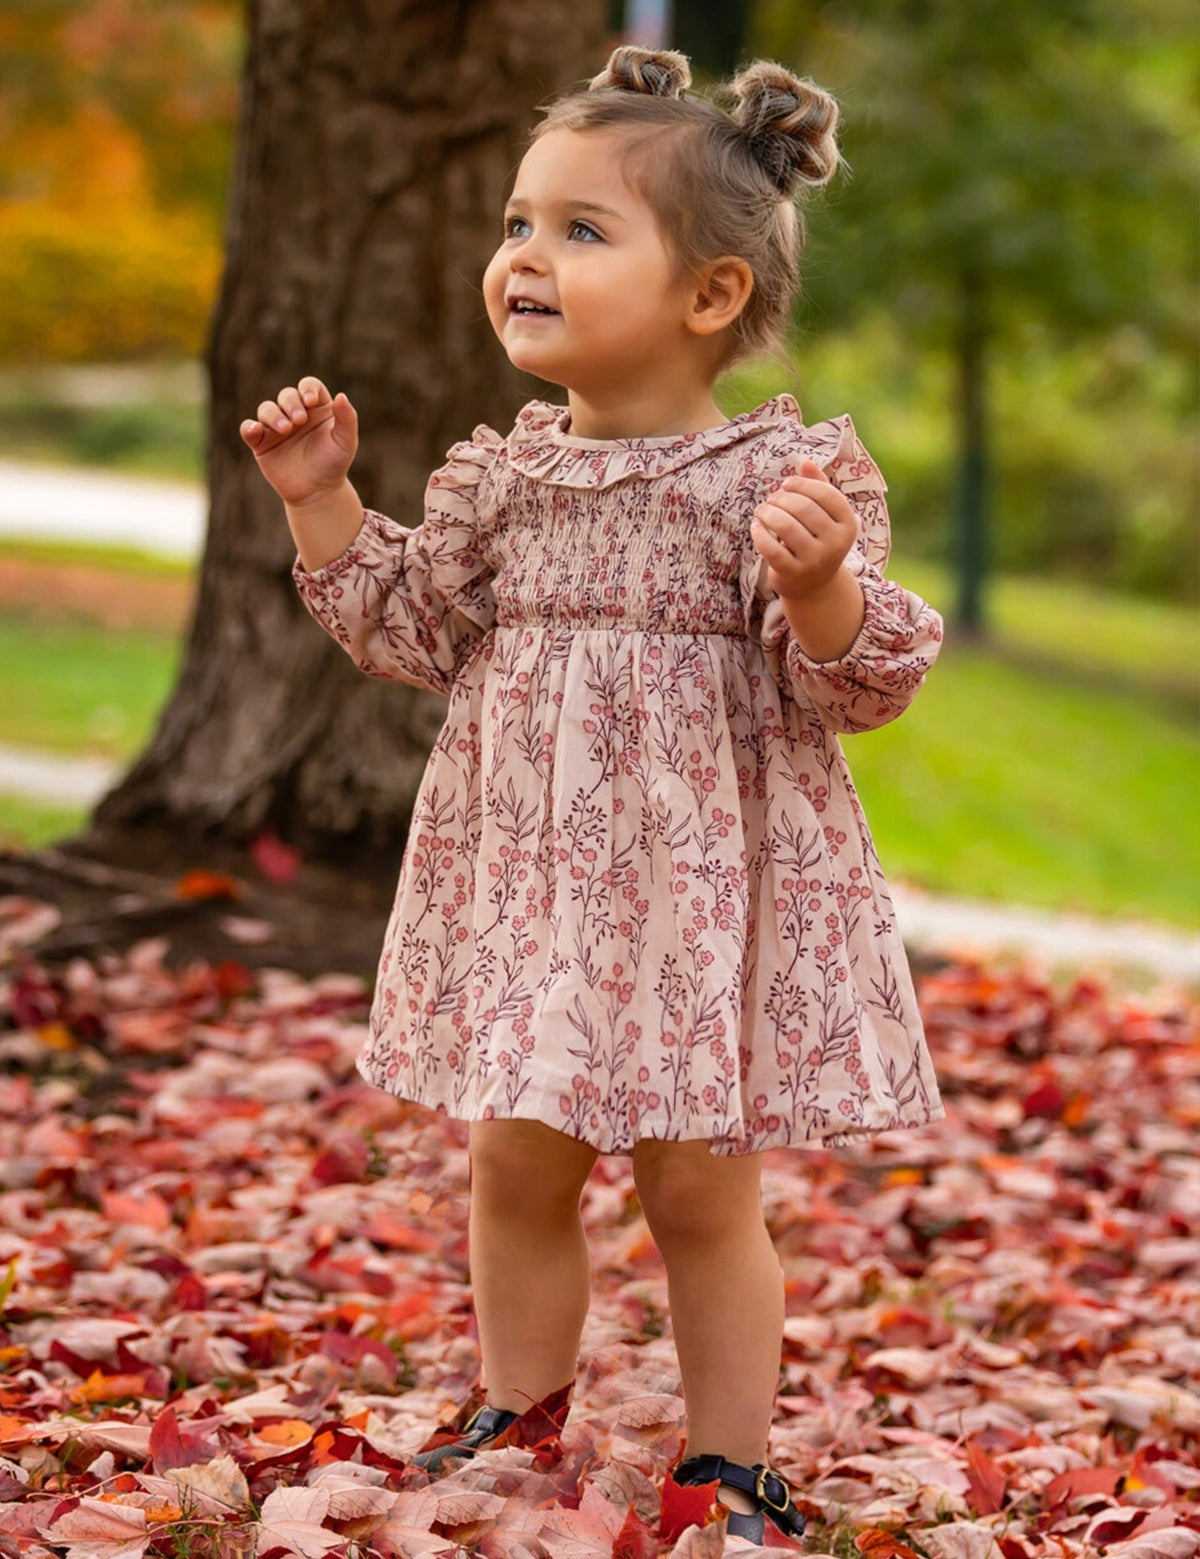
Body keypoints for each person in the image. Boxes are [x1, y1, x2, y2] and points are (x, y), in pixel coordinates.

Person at [241, 44, 944, 1544]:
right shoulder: (504, 483)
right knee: (513, 1159)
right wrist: (324, 502)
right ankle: (519, 1398)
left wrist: (817, 585)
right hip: (538, 892)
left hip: (694, 908)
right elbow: (412, 632)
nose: (524, 258)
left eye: (579, 229)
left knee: (698, 1192)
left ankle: (731, 1459)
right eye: (515, 224)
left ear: (710, 299)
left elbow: (859, 684)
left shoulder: (778, 482)